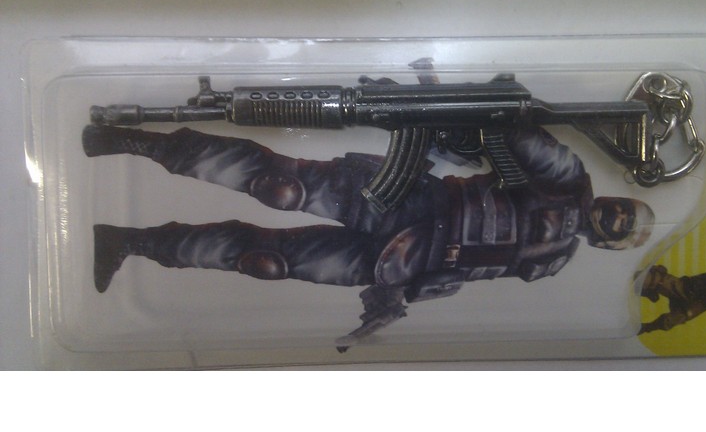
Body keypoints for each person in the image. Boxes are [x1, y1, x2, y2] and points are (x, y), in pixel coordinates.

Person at [83, 122, 654, 348]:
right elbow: (519, 137)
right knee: (280, 184)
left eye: (624, 229)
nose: (618, 219)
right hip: (406, 197)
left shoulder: (552, 260)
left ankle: (128, 243)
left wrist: (401, 295)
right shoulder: (569, 182)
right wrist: (488, 115)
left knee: (267, 261)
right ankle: (134, 140)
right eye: (626, 211)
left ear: (611, 246)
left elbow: (476, 270)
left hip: (403, 260)